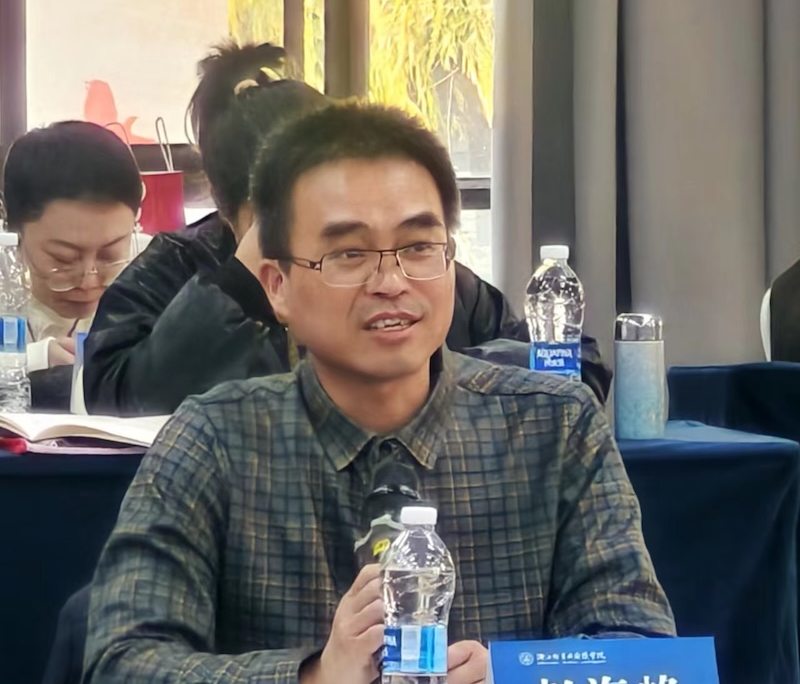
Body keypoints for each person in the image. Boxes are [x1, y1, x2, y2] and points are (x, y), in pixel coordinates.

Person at [81, 101, 674, 684]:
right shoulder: (213, 440)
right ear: (277, 286)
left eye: (418, 247)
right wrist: (310, 681)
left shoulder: (555, 425)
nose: (391, 281)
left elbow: (644, 654)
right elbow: (120, 672)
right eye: (349, 254)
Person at [83, 41, 611, 416]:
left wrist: (417, 373)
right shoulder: (177, 270)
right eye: (277, 214)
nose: (379, 273)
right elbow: (116, 400)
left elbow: (573, 365)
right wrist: (237, 285)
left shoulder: (416, 270)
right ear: (228, 212)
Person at [2, 121, 145, 408]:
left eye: (109, 254)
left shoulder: (160, 268)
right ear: (12, 225)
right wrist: (35, 358)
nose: (88, 281)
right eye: (63, 258)